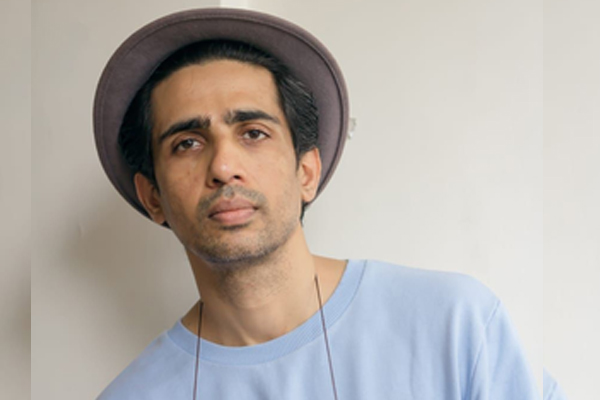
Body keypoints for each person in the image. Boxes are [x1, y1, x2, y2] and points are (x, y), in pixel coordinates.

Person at [94, 8, 540, 400]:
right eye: (188, 143)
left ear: (307, 172)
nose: (224, 166)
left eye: (253, 133)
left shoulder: (455, 324)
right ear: (152, 197)